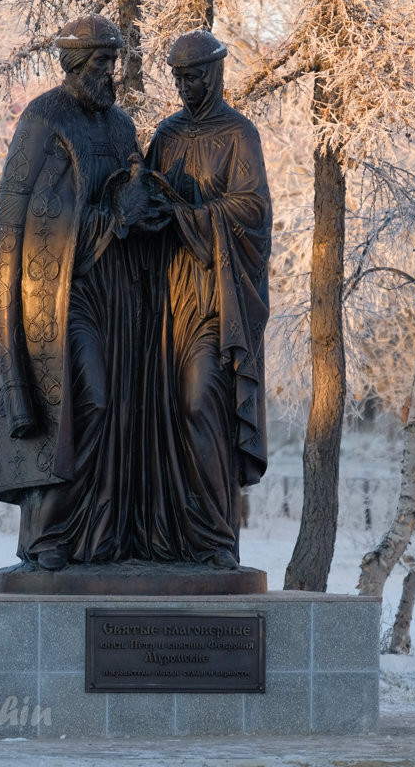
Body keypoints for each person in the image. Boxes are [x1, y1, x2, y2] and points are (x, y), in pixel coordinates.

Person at [0, 14, 159, 573]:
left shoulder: (121, 126)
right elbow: (19, 222)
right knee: (88, 400)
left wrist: (143, 211)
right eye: (101, 63)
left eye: (113, 61)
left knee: (121, 413)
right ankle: (47, 535)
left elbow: (136, 196)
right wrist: (113, 218)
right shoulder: (43, 118)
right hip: (62, 296)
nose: (111, 73)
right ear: (75, 65)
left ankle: (102, 536)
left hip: (122, 293)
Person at [139, 29, 273, 568]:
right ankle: (169, 539)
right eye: (178, 78)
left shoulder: (240, 135)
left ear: (217, 73)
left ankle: (217, 538)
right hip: (168, 295)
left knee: (200, 403)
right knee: (165, 413)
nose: (185, 86)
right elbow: (145, 202)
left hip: (217, 298)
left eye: (193, 76)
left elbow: (254, 213)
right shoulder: (166, 136)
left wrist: (194, 208)